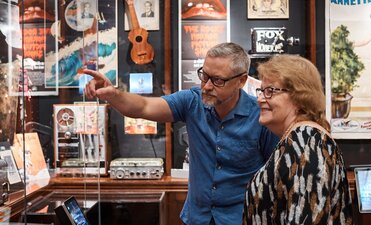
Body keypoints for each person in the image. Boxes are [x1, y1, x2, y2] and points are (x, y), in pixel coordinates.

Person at [84, 42, 278, 225]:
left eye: (218, 80)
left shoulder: (260, 116)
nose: (207, 86)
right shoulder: (192, 101)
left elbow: (274, 175)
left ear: (241, 81)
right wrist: (113, 94)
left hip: (241, 219)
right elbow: (143, 107)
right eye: (204, 76)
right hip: (197, 218)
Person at [243, 55, 353, 225]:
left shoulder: (307, 141)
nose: (260, 98)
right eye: (261, 90)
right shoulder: (300, 139)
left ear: (299, 96)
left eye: (270, 91)